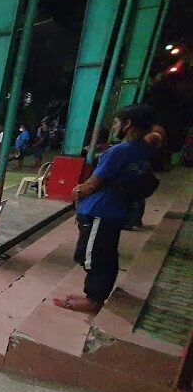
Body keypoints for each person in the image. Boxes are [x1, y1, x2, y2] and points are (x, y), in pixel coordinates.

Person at [54, 104, 157, 313]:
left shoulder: (119, 151)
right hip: (116, 211)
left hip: (101, 211)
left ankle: (94, 299)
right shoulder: (142, 151)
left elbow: (92, 184)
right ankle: (93, 294)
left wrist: (78, 191)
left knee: (91, 256)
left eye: (117, 123)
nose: (114, 127)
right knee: (103, 254)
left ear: (128, 125)